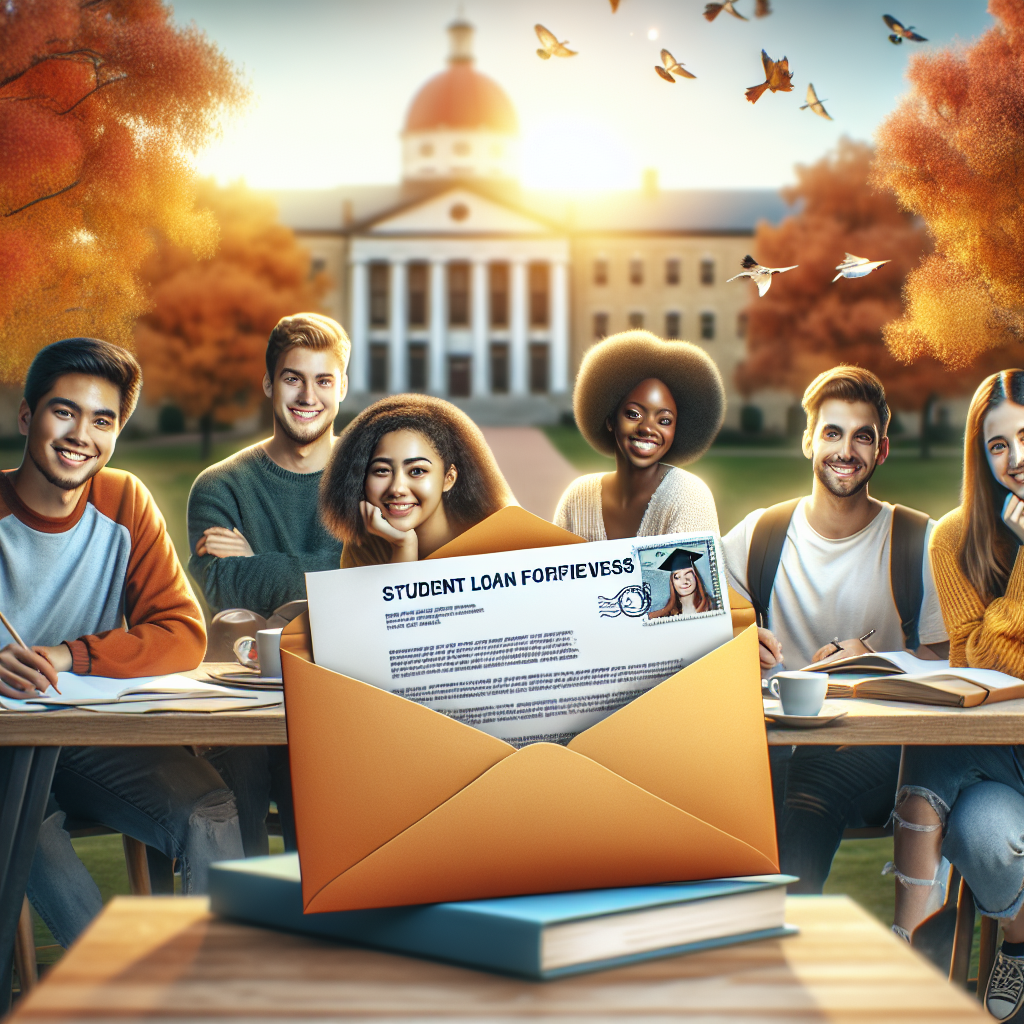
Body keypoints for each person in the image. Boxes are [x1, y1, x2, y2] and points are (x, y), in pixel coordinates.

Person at [0, 338, 244, 948]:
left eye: (101, 420)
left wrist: (69, 655)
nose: (80, 433)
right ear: (27, 417)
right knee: (28, 831)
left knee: (209, 808)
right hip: (4, 746)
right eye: (64, 411)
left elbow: (182, 634)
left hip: (89, 734)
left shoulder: (125, 500)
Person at [722, 365, 949, 893]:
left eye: (861, 437)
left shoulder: (918, 540)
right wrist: (733, 645)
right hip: (774, 745)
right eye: (832, 433)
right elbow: (695, 618)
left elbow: (954, 656)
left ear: (882, 450)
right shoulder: (760, 535)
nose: (845, 450)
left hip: (883, 750)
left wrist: (877, 662)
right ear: (808, 441)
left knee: (809, 777)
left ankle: (787, 930)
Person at [888, 370, 1024, 1022]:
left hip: (1002, 754)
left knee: (940, 752)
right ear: (981, 457)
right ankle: (1018, 949)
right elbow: (980, 660)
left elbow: (990, 656)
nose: (1016, 460)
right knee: (982, 830)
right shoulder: (953, 539)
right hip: (998, 757)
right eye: (999, 447)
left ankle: (906, 939)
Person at [186, 313, 350, 855]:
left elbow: (379, 584)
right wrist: (332, 563)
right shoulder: (220, 485)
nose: (308, 395)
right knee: (241, 829)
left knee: (327, 841)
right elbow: (226, 595)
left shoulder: (372, 472)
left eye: (323, 380)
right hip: (243, 700)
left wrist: (263, 562)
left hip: (341, 694)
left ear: (341, 387)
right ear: (268, 384)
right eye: (292, 378)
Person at [553, 330, 724, 541]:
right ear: (610, 419)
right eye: (634, 414)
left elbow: (688, 573)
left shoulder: (689, 496)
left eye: (664, 421)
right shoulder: (577, 497)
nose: (647, 428)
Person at [320, 394, 514, 566]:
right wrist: (404, 546)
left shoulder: (498, 541)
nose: (397, 489)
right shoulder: (365, 544)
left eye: (417, 471)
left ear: (449, 478)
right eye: (381, 471)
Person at [648, 549, 716, 617]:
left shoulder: (712, 606)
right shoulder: (665, 616)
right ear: (672, 582)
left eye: (688, 574)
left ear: (696, 577)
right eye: (677, 577)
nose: (684, 581)